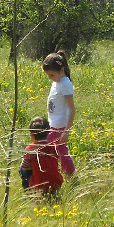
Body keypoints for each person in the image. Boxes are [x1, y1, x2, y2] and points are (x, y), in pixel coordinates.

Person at [43, 50, 75, 178]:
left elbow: (72, 109)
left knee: (44, 147)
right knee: (60, 151)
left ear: (61, 70)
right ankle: (65, 173)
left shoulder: (65, 84)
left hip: (60, 127)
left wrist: (66, 131)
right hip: (54, 124)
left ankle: (66, 174)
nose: (50, 78)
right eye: (48, 75)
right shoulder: (57, 82)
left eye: (51, 75)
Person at [19, 115, 64, 195]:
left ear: (32, 135)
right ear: (48, 132)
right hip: (56, 184)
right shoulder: (53, 146)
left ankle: (30, 192)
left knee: (22, 170)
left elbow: (25, 166)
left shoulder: (30, 148)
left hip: (39, 185)